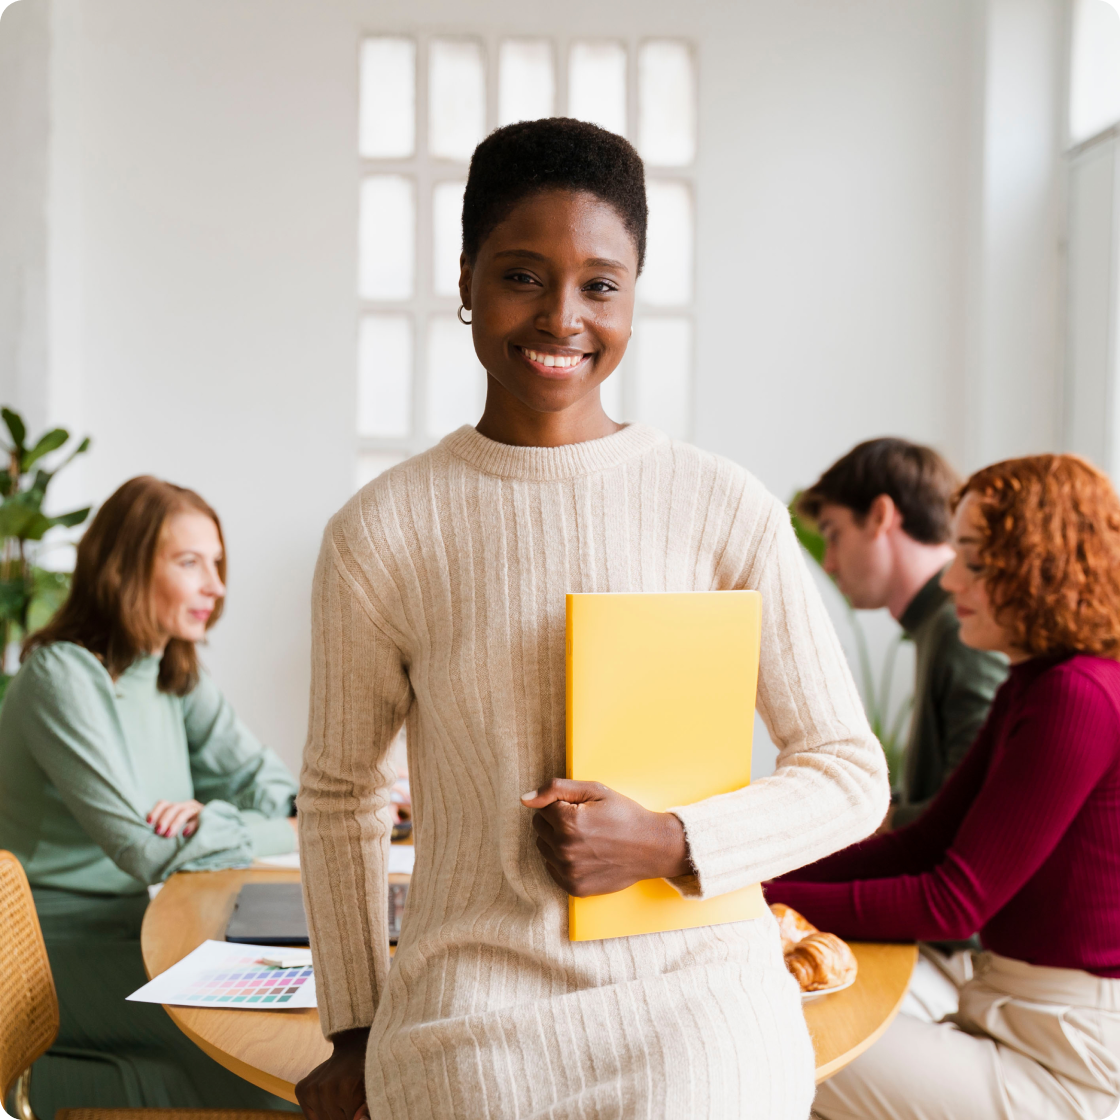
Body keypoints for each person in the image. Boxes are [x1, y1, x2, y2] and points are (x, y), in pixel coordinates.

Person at [294, 117, 888, 1120]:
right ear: (466, 281)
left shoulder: (718, 504)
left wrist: (669, 839)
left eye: (599, 283)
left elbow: (846, 770)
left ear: (631, 296)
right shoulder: (381, 530)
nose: (562, 316)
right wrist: (354, 1026)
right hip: (469, 1007)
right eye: (521, 275)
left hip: (698, 998)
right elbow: (343, 791)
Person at [769, 454, 1120, 1120]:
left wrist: (753, 906)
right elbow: (925, 843)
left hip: (1065, 1056)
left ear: (1046, 569)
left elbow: (955, 902)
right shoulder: (1036, 682)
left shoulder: (1077, 695)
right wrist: (756, 882)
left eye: (978, 562)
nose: (953, 577)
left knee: (773, 1034)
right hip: (1016, 1014)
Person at [0, 475, 300, 1116]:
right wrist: (272, 826)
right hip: (45, 954)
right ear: (125, 568)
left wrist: (214, 820)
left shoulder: (170, 669)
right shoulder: (62, 675)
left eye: (216, 564)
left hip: (133, 927)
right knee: (278, 1050)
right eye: (190, 563)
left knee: (300, 1010)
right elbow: (143, 850)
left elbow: (280, 795)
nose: (216, 587)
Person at [797, 439, 1007, 828]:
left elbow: (979, 811)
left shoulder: (961, 626)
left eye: (833, 534)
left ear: (880, 515)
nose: (827, 563)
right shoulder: (938, 624)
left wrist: (868, 824)